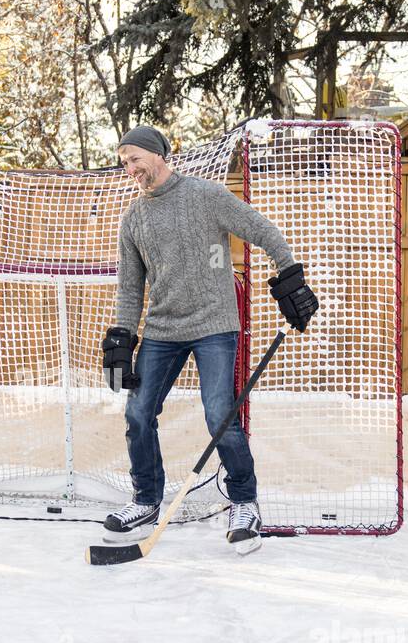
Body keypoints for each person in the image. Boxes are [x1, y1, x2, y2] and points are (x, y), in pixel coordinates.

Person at [102, 125, 318, 554]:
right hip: (163, 329)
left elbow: (263, 230)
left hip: (215, 324)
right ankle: (146, 499)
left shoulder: (206, 196)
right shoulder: (134, 218)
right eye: (124, 162)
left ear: (158, 154)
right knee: (138, 412)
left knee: (220, 413)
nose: (130, 168)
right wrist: (122, 337)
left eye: (135, 158)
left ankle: (244, 501)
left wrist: (290, 276)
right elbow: (130, 288)